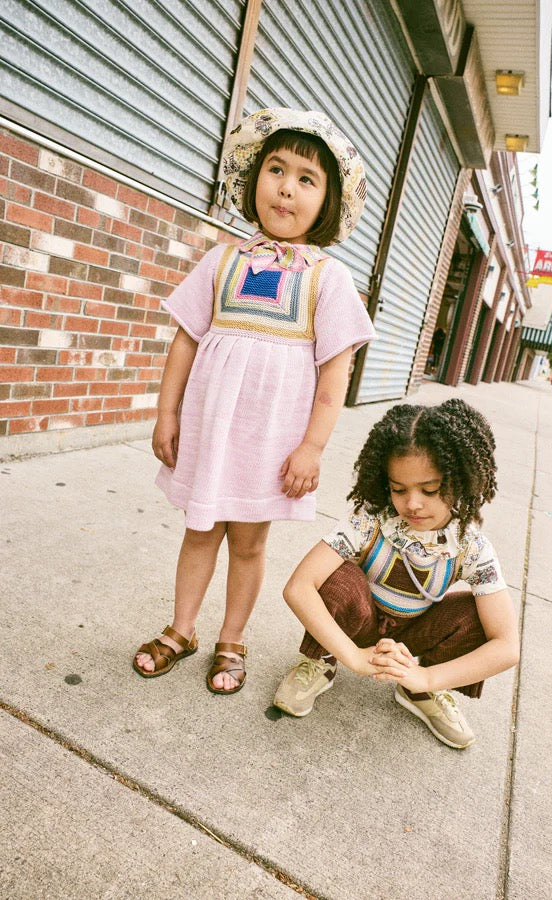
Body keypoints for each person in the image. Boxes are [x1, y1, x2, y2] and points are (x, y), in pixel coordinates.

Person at [133, 108, 375, 693]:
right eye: (276, 169)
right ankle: (181, 629)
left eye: (306, 179)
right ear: (254, 179)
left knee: (248, 543)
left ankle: (232, 638)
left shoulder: (327, 278)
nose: (287, 187)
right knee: (199, 532)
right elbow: (185, 340)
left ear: (328, 202)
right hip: (210, 431)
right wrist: (167, 413)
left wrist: (312, 448)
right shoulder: (221, 261)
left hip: (268, 444)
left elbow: (334, 373)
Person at [273, 399, 520, 749]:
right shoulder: (371, 519)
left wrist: (425, 676)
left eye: (429, 490)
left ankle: (419, 692)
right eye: (399, 489)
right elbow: (299, 587)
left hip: (414, 637)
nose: (412, 503)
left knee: (479, 614)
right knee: (338, 578)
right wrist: (354, 657)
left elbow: (507, 647)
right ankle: (322, 660)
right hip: (360, 623)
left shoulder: (471, 546)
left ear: (460, 480)